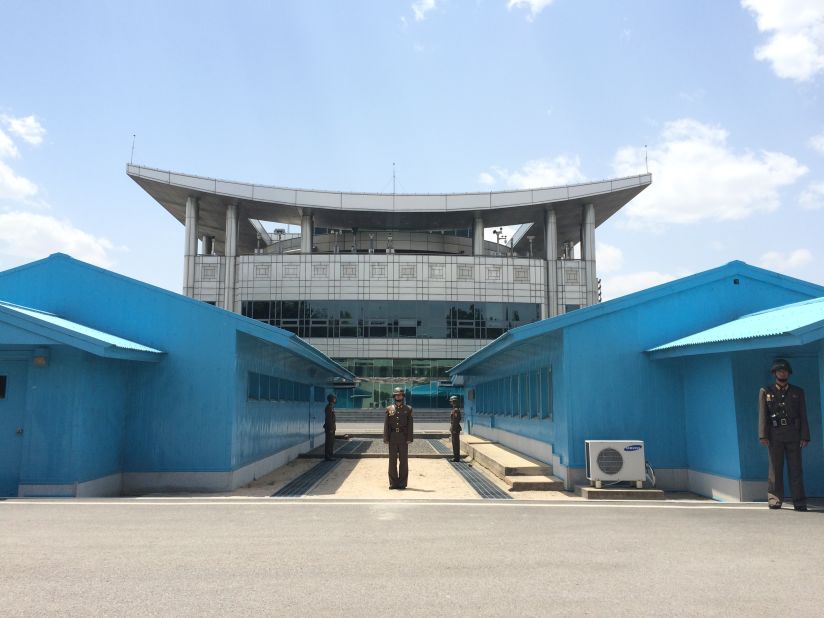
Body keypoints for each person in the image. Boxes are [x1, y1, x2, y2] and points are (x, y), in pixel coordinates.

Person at [758, 359, 810, 511]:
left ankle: (799, 501)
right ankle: (775, 499)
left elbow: (803, 414)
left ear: (789, 373)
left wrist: (805, 436)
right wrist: (763, 435)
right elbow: (763, 415)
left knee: (796, 469)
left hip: (794, 434)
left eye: (785, 370)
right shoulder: (766, 391)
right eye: (780, 370)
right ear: (774, 373)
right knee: (775, 469)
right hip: (775, 435)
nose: (783, 373)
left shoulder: (797, 392)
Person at [384, 387, 413, 489]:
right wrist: (386, 438)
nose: (398, 396)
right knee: (392, 461)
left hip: (403, 438)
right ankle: (393, 483)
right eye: (396, 395)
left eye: (400, 395)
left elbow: (410, 425)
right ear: (394, 396)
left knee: (403, 461)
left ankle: (402, 483)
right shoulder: (389, 409)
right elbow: (386, 425)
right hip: (392, 437)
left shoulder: (408, 409)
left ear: (403, 396)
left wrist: (409, 438)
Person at [323, 393, 337, 461]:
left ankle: (330, 455)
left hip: (331, 428)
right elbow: (328, 419)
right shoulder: (329, 407)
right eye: (334, 398)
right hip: (329, 428)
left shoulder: (331, 406)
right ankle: (328, 456)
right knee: (329, 442)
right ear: (331, 399)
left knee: (331, 442)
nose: (335, 399)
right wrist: (331, 428)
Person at [448, 395, 462, 462]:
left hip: (455, 429)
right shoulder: (455, 409)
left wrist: (453, 429)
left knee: (455, 443)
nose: (451, 403)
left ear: (454, 402)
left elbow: (456, 421)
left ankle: (456, 458)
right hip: (454, 428)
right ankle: (456, 457)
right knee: (454, 443)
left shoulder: (456, 410)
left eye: (451, 402)